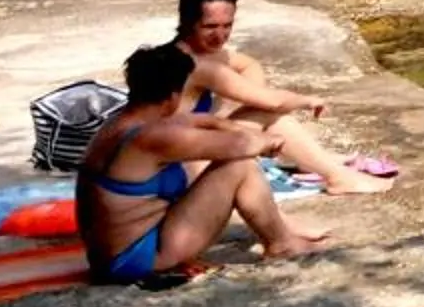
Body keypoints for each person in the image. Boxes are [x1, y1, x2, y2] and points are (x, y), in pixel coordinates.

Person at [75, 41, 329, 282]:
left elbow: (196, 121)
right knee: (239, 166)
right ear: (174, 95)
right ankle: (282, 244)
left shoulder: (124, 122)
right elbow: (240, 147)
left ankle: (281, 237)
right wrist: (268, 141)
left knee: (219, 160)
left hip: (111, 256)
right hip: (138, 260)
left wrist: (226, 125)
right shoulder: (154, 137)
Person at [174, 0, 397, 194]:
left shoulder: (192, 52)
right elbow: (274, 102)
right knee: (271, 115)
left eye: (227, 26)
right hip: (182, 165)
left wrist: (224, 111)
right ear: (189, 23)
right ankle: (337, 177)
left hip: (189, 147)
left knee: (260, 112)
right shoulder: (196, 65)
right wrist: (307, 100)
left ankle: (320, 163)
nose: (220, 35)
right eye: (210, 26)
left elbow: (249, 65)